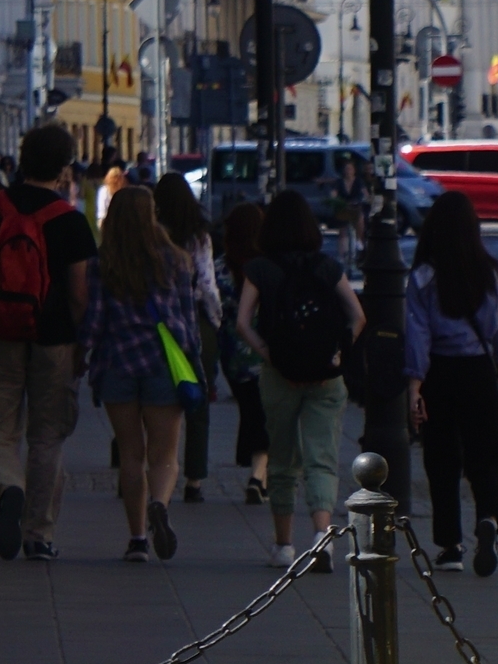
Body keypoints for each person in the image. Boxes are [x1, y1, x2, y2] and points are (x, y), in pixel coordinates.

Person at [0, 122, 98, 564]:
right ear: (63, 168)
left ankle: (9, 488)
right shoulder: (71, 221)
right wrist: (82, 342)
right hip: (54, 339)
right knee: (47, 437)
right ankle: (38, 533)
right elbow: (80, 293)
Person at [238, 188, 365, 569]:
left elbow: (243, 323)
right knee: (322, 458)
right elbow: (357, 316)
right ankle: (322, 537)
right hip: (326, 376)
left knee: (282, 459)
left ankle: (283, 545)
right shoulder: (326, 266)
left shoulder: (259, 268)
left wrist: (270, 354)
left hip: (280, 376)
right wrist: (338, 352)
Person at [80, 184, 203, 563]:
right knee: (164, 455)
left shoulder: (103, 263)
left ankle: (137, 540)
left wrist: (80, 359)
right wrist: (195, 362)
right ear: (151, 215)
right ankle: (160, 505)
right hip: (164, 366)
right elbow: (188, 318)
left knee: (131, 455)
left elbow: (94, 321)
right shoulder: (176, 260)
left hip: (118, 364)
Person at [404, 192, 498, 574]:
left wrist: (415, 384)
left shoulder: (423, 276)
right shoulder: (491, 272)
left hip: (439, 371)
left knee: (441, 458)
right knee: (484, 455)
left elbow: (416, 332)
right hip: (479, 371)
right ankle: (488, 519)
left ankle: (449, 545)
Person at [151, 171, 222, 503]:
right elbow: (207, 283)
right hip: (194, 319)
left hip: (157, 320)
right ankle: (194, 479)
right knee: (197, 396)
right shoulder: (198, 236)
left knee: (151, 396)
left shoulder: (151, 235)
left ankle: (137, 470)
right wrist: (216, 319)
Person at [217, 201, 272, 504]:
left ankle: (259, 474)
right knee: (264, 414)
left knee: (251, 410)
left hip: (232, 354)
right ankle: (257, 475)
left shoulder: (221, 268)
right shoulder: (266, 266)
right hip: (263, 350)